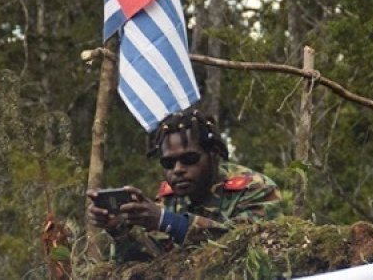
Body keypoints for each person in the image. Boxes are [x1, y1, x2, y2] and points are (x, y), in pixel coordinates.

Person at [87, 107, 282, 262]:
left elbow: (244, 248)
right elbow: (149, 261)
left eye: (189, 159)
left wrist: (168, 222)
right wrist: (119, 229)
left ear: (213, 154)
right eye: (168, 163)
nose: (178, 169)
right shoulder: (169, 199)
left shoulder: (254, 189)